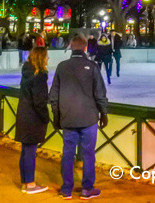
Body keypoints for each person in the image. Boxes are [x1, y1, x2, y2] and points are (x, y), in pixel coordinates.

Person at [49, 35, 108, 200]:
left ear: (70, 47)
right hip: (88, 117)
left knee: (68, 153)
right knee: (89, 154)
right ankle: (87, 189)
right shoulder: (92, 66)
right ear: (85, 48)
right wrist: (103, 112)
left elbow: (54, 95)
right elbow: (100, 93)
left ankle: (66, 189)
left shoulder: (62, 67)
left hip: (68, 117)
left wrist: (56, 116)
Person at [16, 47, 50, 194]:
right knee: (30, 152)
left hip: (23, 114)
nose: (48, 59)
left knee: (25, 151)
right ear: (41, 58)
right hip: (33, 117)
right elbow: (40, 102)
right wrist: (46, 117)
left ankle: (25, 182)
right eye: (46, 56)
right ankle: (30, 184)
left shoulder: (27, 72)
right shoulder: (39, 76)